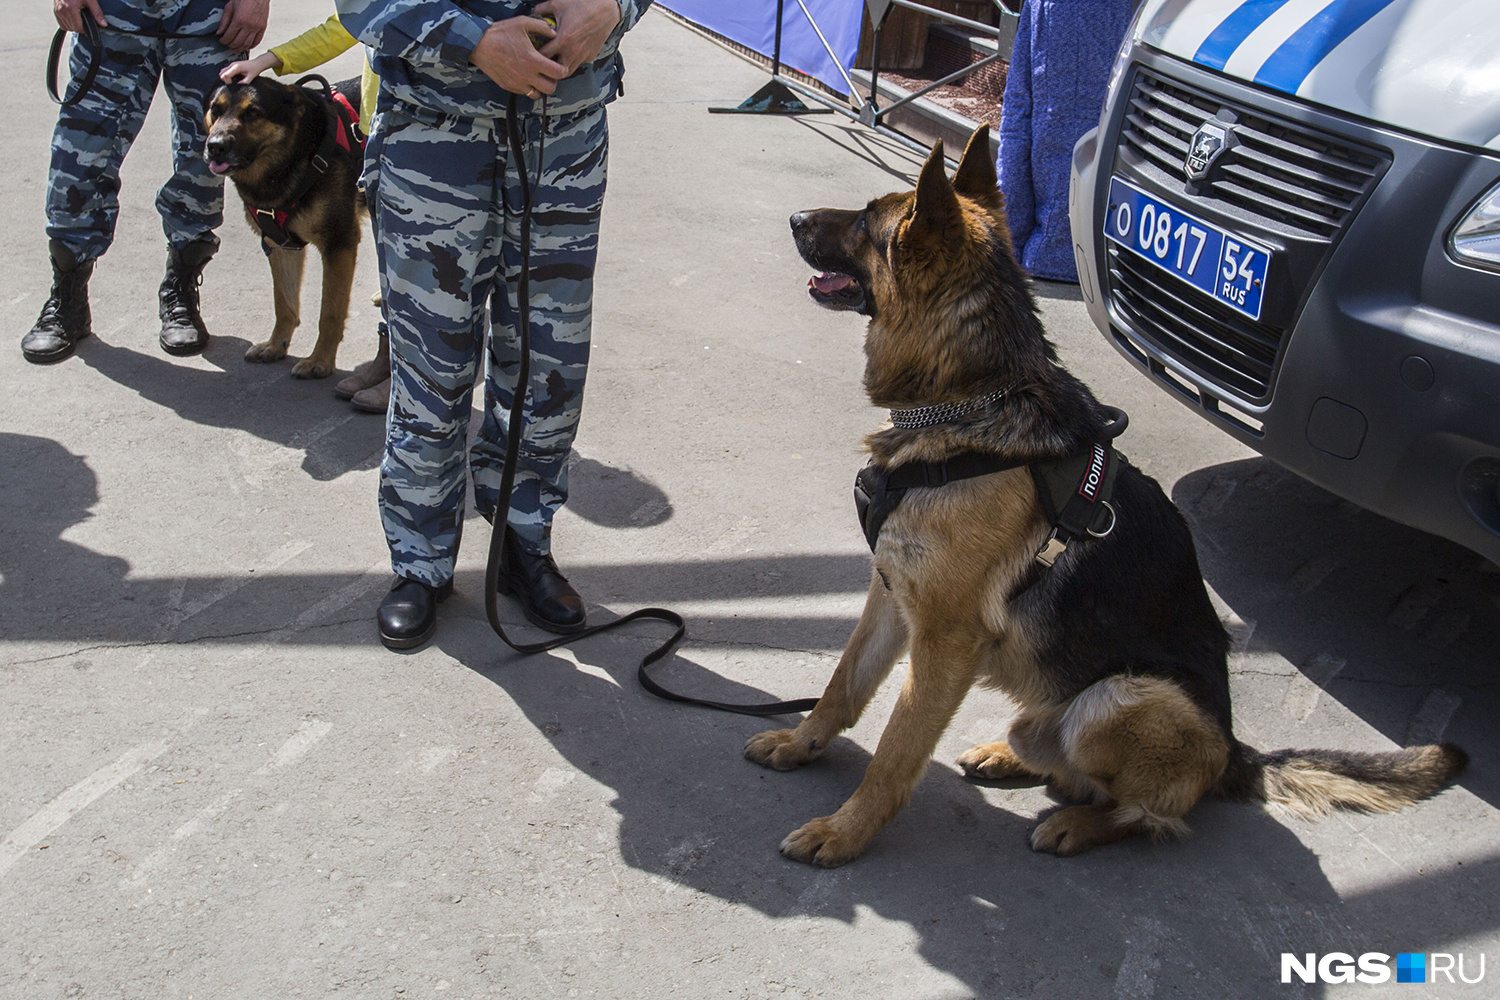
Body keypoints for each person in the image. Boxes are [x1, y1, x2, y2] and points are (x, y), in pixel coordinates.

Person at [335, 0, 649, 650]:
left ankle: (523, 544)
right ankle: (420, 560)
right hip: (435, 131)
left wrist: (614, 10)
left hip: (564, 136)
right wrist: (471, 40)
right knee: (432, 365)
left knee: (547, 362)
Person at [23, 0, 271, 364]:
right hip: (112, 12)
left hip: (206, 14)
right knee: (82, 145)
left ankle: (181, 287)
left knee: (206, 151)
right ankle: (68, 297)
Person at [220, 14, 391, 414]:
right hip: (378, 125)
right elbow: (340, 28)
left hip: (422, 128)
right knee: (287, 235)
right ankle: (289, 332)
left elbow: (340, 245)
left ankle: (395, 365)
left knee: (404, 256)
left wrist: (326, 344)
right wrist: (267, 61)